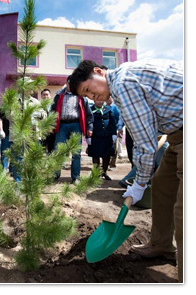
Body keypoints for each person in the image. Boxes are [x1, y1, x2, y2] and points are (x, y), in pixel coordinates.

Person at [69, 59, 183, 282]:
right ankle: (162, 245)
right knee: (161, 185)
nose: (93, 97)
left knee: (185, 208)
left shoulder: (122, 84)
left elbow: (146, 144)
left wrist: (139, 183)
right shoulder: (126, 75)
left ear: (98, 72)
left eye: (89, 90)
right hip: (177, 133)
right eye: (88, 96)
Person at [51, 76, 94, 183]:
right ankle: (55, 175)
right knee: (58, 151)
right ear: (67, 82)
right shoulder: (58, 95)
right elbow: (52, 111)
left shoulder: (81, 96)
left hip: (76, 125)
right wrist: (51, 125)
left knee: (76, 152)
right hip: (61, 126)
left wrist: (89, 127)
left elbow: (88, 114)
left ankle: (75, 177)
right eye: (70, 83)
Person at [87, 99, 116, 180]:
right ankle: (96, 173)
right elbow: (88, 122)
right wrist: (88, 136)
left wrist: (114, 133)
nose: (100, 102)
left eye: (101, 100)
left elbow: (112, 122)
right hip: (95, 137)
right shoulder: (90, 110)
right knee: (95, 156)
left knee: (106, 156)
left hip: (106, 136)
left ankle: (104, 172)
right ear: (94, 101)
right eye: (98, 100)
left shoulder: (108, 109)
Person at [105, 96, 122, 171]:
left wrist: (119, 129)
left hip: (114, 130)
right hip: (105, 131)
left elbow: (119, 118)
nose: (108, 99)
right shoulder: (104, 107)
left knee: (115, 148)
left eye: (109, 97)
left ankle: (112, 164)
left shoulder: (115, 108)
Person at [41, 88, 56, 154]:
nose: (45, 96)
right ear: (41, 96)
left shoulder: (54, 106)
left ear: (50, 96)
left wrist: (52, 127)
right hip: (42, 130)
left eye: (47, 94)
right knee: (41, 149)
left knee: (51, 148)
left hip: (51, 131)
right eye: (44, 95)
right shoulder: (39, 106)